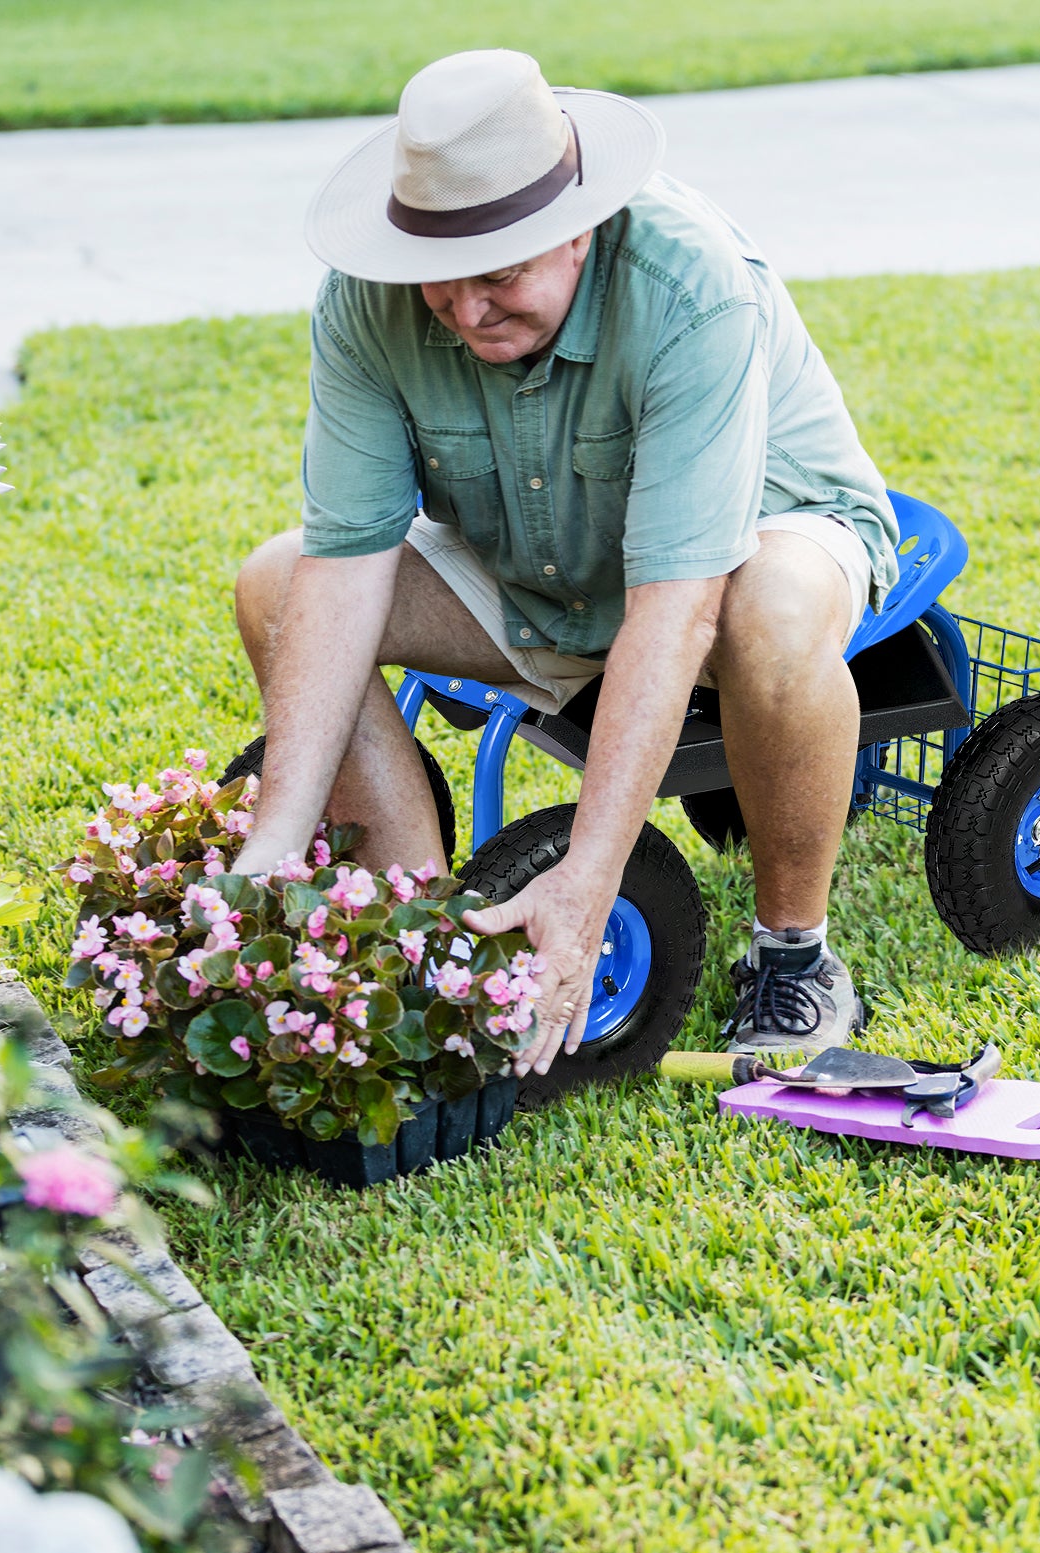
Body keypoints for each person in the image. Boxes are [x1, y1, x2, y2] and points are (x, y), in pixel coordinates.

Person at [230, 49, 899, 1075]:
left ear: (574, 229)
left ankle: (792, 955)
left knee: (764, 609)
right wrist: (273, 840)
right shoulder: (366, 300)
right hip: (535, 560)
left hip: (763, 535)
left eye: (497, 275)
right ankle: (420, 948)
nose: (461, 311)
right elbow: (345, 561)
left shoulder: (688, 286)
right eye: (434, 281)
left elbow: (676, 605)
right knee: (274, 584)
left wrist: (587, 881)